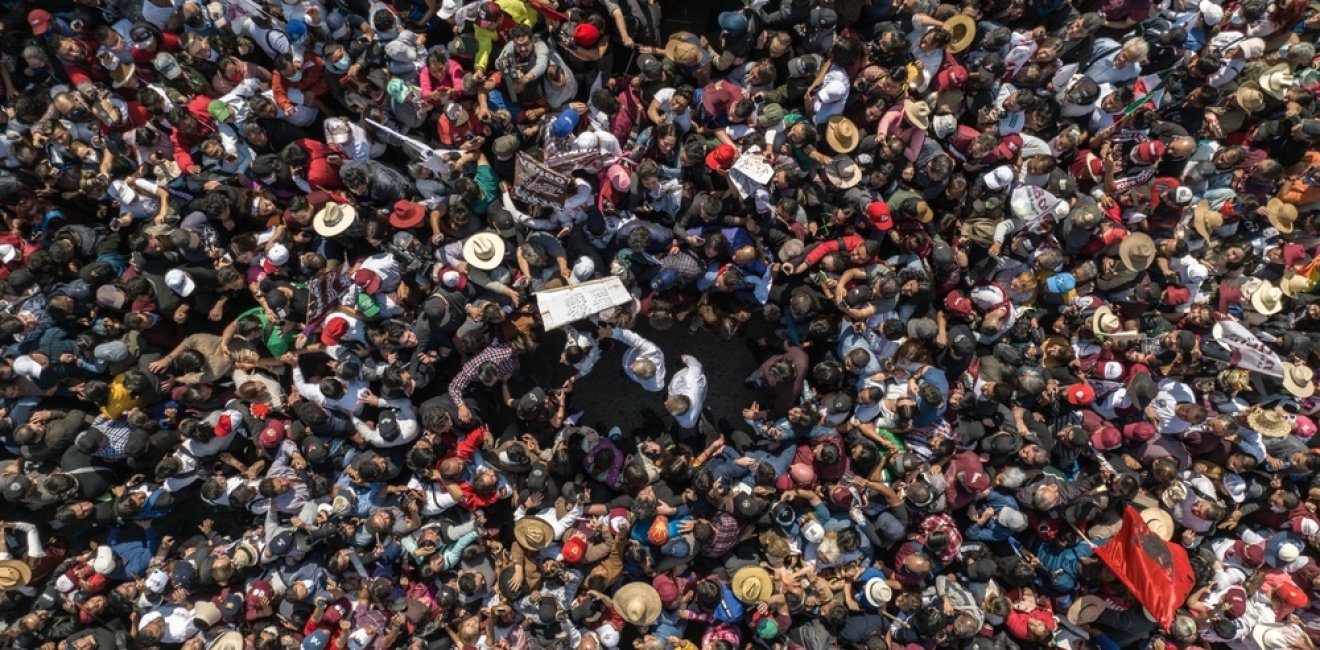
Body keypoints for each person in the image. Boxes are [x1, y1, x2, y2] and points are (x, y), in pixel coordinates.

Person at [0, 2, 1316, 650]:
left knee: (619, 363)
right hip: (616, 373)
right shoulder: (635, 359)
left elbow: (582, 348)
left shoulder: (626, 363)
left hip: (615, 376)